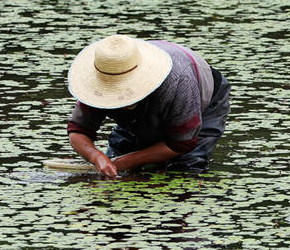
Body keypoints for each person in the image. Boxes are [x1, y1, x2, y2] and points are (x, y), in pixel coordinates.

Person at [66, 34, 231, 176]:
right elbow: (78, 131)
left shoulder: (179, 82)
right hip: (146, 110)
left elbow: (182, 143)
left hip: (203, 98)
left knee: (187, 165)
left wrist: (125, 162)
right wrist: (97, 157)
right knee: (119, 157)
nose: (119, 100)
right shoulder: (99, 84)